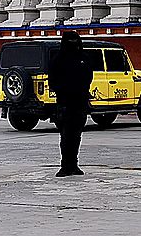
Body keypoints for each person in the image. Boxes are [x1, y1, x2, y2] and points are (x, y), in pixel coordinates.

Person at [48, 31, 93, 177]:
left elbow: (88, 77)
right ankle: (65, 165)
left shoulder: (84, 58)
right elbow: (52, 81)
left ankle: (74, 164)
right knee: (66, 136)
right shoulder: (58, 60)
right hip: (65, 103)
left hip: (80, 103)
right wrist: (65, 91)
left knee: (77, 136)